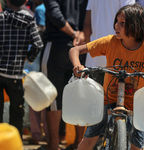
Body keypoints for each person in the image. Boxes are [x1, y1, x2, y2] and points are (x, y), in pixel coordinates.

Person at [69, 3, 144, 150]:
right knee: (88, 141)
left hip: (137, 105)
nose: (116, 26)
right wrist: (78, 65)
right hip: (108, 100)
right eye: (116, 22)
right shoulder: (110, 42)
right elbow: (75, 50)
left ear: (136, 25)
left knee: (137, 147)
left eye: (122, 23)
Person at [41, 0, 88, 150]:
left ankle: (54, 144)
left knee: (53, 95)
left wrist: (74, 33)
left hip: (56, 45)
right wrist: (81, 34)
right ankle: (78, 143)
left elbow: (55, 15)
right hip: (81, 49)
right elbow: (90, 16)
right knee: (80, 95)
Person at [0, 0, 43, 137]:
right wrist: (28, 59)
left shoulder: (1, 18)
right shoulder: (29, 20)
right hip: (16, 76)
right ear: (25, 1)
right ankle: (15, 142)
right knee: (17, 114)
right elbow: (38, 44)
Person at [83, 0, 135, 85]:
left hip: (94, 60)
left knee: (95, 97)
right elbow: (130, 24)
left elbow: (87, 25)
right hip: (118, 63)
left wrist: (90, 54)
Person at [24, 0, 48, 145]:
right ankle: (49, 133)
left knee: (35, 100)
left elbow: (38, 36)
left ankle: (36, 134)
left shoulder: (39, 9)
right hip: (47, 59)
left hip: (36, 60)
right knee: (47, 100)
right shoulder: (46, 8)